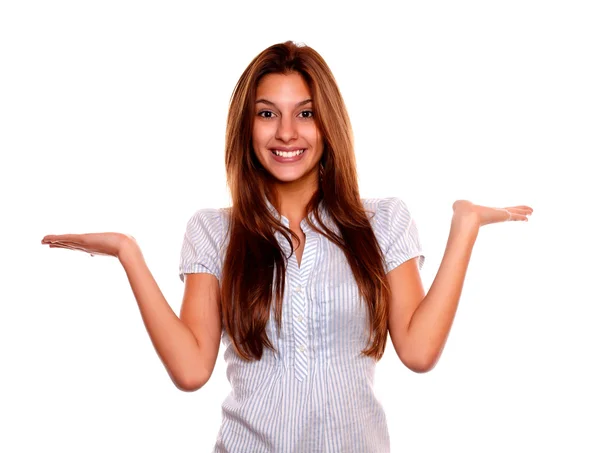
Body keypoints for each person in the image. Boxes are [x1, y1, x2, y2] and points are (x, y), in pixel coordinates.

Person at [41, 41, 533, 452]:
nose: (286, 133)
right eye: (267, 113)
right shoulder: (214, 231)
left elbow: (420, 351)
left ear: (328, 126)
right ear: (247, 126)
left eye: (305, 113)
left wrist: (464, 227)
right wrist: (129, 253)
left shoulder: (381, 220)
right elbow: (191, 371)